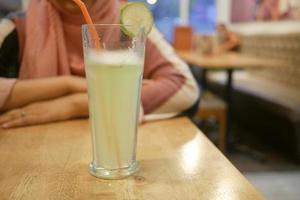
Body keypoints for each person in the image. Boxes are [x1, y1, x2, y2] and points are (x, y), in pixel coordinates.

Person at [0, 0, 199, 129]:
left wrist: (74, 104)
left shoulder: (128, 23)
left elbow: (184, 86)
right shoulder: (18, 28)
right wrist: (69, 84)